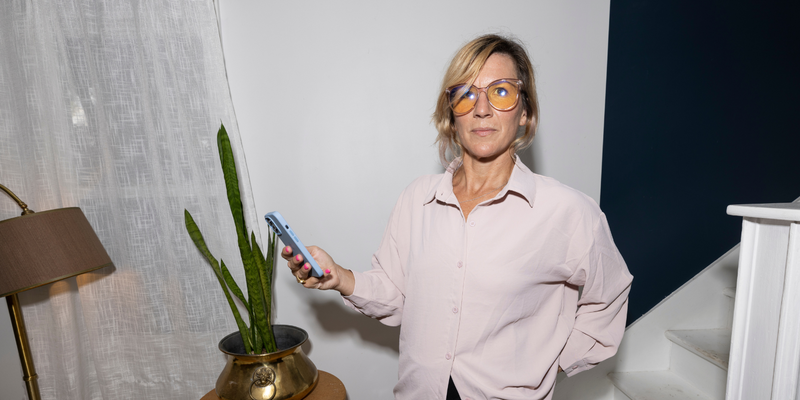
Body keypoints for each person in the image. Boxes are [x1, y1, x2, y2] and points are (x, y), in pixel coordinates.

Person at [283, 34, 633, 400]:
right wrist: (340, 276)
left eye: (501, 91)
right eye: (466, 93)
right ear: (452, 112)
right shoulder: (417, 198)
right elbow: (397, 293)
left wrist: (553, 365)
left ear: (525, 112)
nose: (481, 108)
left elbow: (609, 296)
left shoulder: (566, 211)